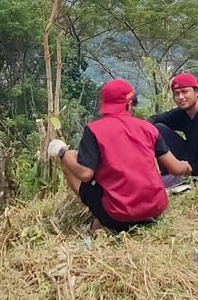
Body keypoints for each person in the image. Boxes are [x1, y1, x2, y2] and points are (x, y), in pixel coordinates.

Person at [46, 79, 173, 233]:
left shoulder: (95, 130)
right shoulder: (148, 128)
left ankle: (101, 223)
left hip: (118, 217)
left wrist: (62, 152)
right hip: (155, 212)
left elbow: (85, 174)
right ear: (129, 103)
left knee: (70, 159)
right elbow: (175, 166)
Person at [150, 72, 198, 184]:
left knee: (153, 186)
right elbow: (154, 119)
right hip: (187, 160)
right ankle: (167, 173)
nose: (181, 97)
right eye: (177, 94)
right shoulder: (183, 113)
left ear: (196, 92)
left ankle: (175, 178)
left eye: (185, 92)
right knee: (156, 128)